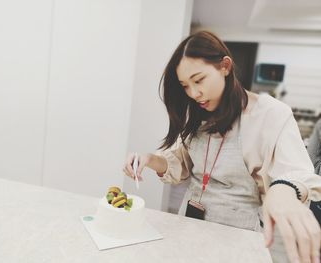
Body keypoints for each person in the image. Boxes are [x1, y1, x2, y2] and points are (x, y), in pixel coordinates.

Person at [123, 30, 321, 263]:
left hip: (238, 237)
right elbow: (180, 163)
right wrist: (148, 159)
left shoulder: (269, 114)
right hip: (189, 226)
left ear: (225, 66)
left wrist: (283, 191)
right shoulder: (198, 112)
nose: (194, 93)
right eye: (185, 86)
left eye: (199, 80)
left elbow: (297, 172)